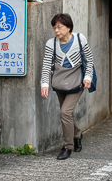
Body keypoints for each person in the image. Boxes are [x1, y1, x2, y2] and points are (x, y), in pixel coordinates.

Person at [40, 13, 94, 160]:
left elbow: (89, 60)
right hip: (60, 83)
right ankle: (77, 135)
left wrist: (88, 77)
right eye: (54, 28)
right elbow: (46, 65)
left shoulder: (79, 39)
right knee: (67, 114)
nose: (56, 31)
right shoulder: (51, 43)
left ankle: (67, 146)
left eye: (59, 27)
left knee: (64, 112)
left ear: (69, 27)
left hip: (77, 82)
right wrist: (44, 84)